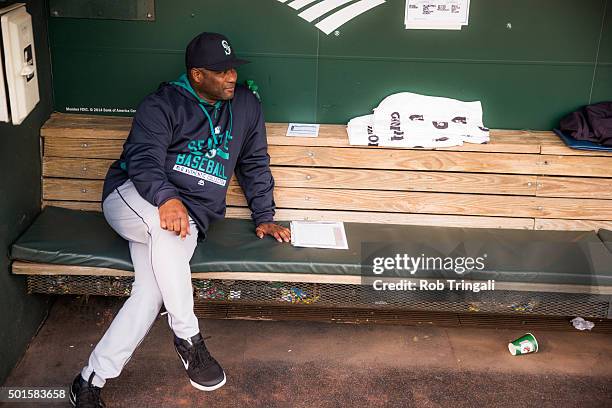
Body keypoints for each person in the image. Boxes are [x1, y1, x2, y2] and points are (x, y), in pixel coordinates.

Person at [69, 32, 291, 407]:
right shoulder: (162, 104)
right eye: (220, 72)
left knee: (152, 290)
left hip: (190, 216)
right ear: (197, 74)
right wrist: (166, 197)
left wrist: (264, 214)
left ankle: (89, 379)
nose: (231, 77)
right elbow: (142, 160)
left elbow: (253, 161)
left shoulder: (247, 105)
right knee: (164, 227)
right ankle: (189, 338)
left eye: (233, 68)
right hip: (134, 196)